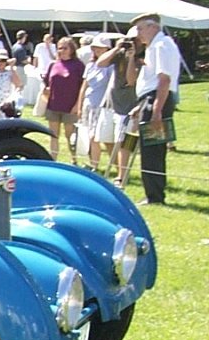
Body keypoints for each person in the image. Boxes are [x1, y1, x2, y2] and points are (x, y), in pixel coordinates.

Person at [129, 12, 180, 205]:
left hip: (157, 100)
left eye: (141, 29)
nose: (139, 34)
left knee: (152, 149)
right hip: (149, 99)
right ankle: (153, 193)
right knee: (151, 148)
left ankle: (155, 195)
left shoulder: (162, 45)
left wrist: (157, 110)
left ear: (153, 27)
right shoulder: (154, 47)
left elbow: (164, 79)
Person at [98, 27, 139, 187]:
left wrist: (131, 58)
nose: (131, 43)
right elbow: (100, 62)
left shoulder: (142, 56)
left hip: (130, 108)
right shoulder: (119, 53)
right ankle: (120, 169)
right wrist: (116, 48)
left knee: (125, 143)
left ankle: (122, 176)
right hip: (111, 105)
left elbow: (131, 80)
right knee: (106, 139)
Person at [42, 36, 85, 162]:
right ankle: (53, 159)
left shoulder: (78, 65)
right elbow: (47, 83)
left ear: (72, 49)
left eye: (65, 48)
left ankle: (74, 159)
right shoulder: (53, 65)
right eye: (59, 48)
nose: (62, 50)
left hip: (70, 106)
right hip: (53, 105)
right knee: (53, 135)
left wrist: (77, 105)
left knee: (70, 135)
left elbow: (83, 86)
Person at [77, 33, 114, 170]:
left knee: (97, 137)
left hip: (102, 105)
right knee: (89, 136)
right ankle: (94, 165)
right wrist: (80, 106)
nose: (97, 50)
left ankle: (113, 166)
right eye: (95, 48)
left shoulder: (111, 67)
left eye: (101, 48)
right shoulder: (90, 65)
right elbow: (84, 86)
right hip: (89, 104)